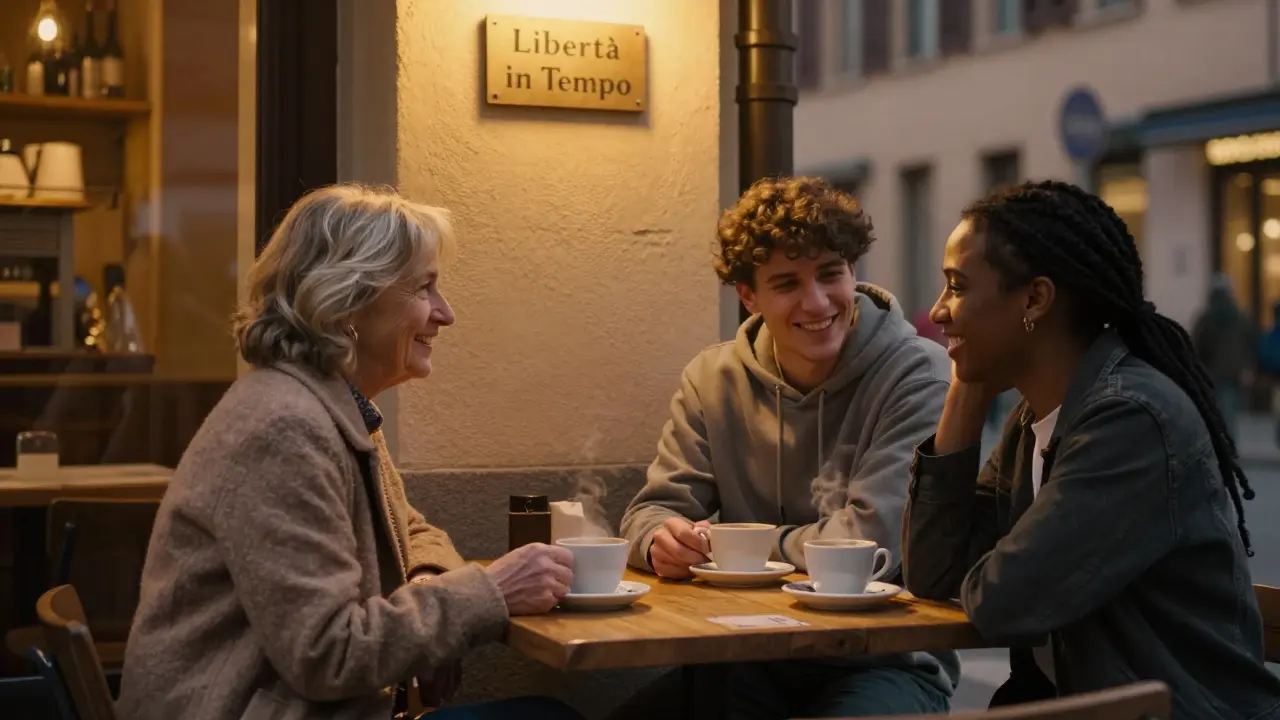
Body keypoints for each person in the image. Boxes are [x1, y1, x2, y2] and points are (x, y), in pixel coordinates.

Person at [117, 185, 581, 720]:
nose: (445, 314)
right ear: (348, 304)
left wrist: (428, 583)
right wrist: (487, 595)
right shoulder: (283, 429)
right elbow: (328, 654)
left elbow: (413, 532)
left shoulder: (330, 405)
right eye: (424, 288)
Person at [903, 180, 1280, 720]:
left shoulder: (1130, 421)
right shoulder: (1035, 416)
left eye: (957, 287)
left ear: (1034, 299)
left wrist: (969, 362)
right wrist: (966, 383)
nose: (939, 312)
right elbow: (932, 572)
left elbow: (1005, 600)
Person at [620, 176, 957, 718]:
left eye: (831, 274)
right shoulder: (713, 377)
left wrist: (736, 546)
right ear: (748, 296)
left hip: (884, 659)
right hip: (738, 654)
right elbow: (649, 512)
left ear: (853, 272)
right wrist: (661, 539)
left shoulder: (916, 374)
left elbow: (872, 543)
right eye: (787, 284)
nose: (817, 301)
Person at [1191, 273, 1255, 441]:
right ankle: (1229, 444)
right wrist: (1247, 366)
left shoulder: (1206, 318)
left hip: (1212, 371)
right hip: (1234, 370)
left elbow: (1198, 344)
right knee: (1230, 411)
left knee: (1215, 410)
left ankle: (1220, 443)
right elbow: (1250, 342)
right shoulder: (1240, 317)